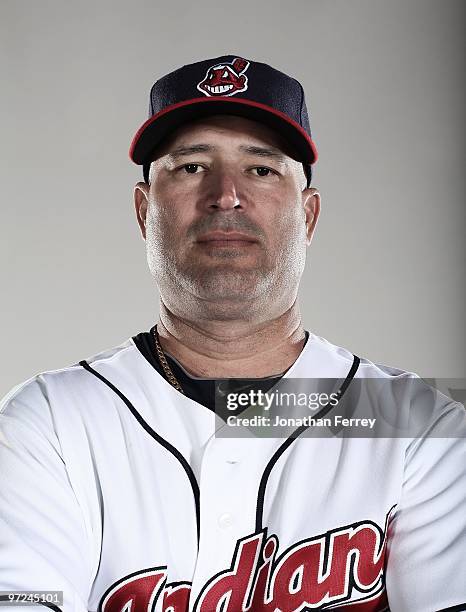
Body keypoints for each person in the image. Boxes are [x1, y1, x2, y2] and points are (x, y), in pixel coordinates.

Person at [0, 54, 465, 612]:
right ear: (144, 212)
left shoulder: (415, 424)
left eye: (261, 169)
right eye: (192, 166)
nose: (225, 195)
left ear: (309, 216)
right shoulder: (48, 422)